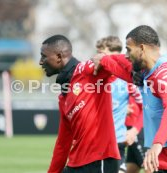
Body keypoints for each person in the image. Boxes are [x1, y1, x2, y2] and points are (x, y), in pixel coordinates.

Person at [92, 25, 167, 173]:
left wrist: (157, 144)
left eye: (129, 49)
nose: (126, 54)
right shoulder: (144, 72)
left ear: (142, 48)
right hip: (163, 159)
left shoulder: (165, 73)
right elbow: (119, 65)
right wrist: (103, 59)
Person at [39, 34, 120, 173]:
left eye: (43, 56)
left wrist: (105, 58)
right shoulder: (63, 96)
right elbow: (63, 143)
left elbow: (121, 63)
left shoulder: (87, 70)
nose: (40, 62)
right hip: (76, 164)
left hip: (100, 161)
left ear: (59, 56)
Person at [96, 36, 145, 173]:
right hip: (98, 142)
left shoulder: (126, 80)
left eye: (101, 52)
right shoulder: (95, 81)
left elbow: (146, 106)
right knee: (132, 167)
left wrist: (134, 129)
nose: (97, 56)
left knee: (149, 167)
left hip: (124, 137)